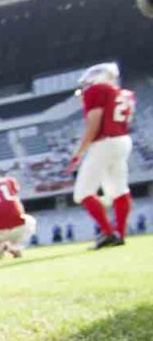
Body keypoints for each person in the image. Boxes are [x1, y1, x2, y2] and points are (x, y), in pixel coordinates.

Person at [67, 62, 136, 249]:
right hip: (122, 140)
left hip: (104, 142)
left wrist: (79, 152)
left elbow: (94, 123)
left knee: (82, 193)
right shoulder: (126, 94)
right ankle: (119, 233)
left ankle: (107, 232)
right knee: (119, 191)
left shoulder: (96, 90)